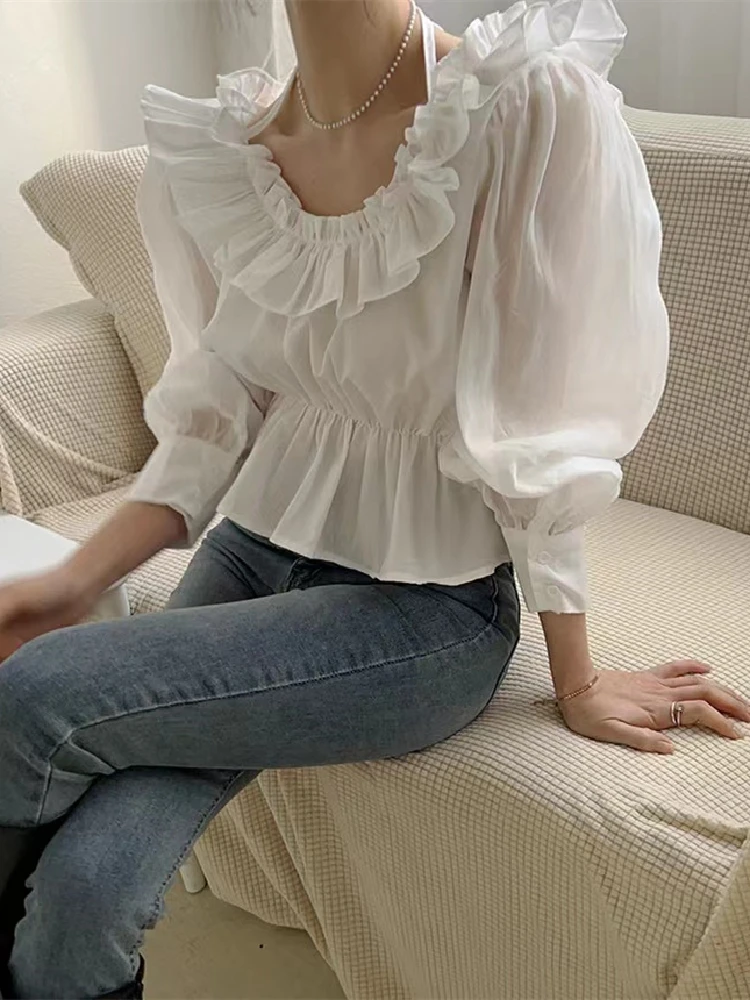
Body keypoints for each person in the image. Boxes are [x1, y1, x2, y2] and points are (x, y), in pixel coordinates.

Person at [1, 0, 749, 996]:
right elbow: (213, 421)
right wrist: (71, 581)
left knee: (36, 691)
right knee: (86, 893)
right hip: (249, 554)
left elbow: (542, 423)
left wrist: (576, 677)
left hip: (422, 613)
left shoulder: (521, 106)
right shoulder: (229, 150)